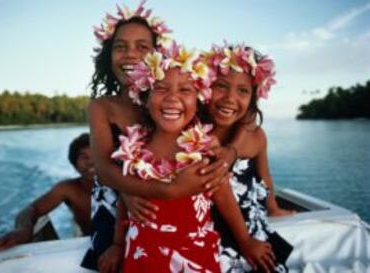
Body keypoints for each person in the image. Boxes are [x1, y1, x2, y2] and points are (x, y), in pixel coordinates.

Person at [82, 1, 232, 270]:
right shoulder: (102, 107)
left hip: (180, 207)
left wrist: (222, 150)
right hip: (119, 202)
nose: (130, 55)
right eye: (120, 46)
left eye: (142, 47)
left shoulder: (169, 101)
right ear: (108, 54)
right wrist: (161, 191)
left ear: (157, 57)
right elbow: (105, 170)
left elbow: (223, 132)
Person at [102, 44, 276, 273]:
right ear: (145, 97)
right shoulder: (134, 148)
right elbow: (126, 199)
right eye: (161, 89)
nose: (172, 98)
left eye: (185, 90)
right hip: (141, 257)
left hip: (193, 257)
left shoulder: (201, 149)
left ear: (197, 98)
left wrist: (245, 240)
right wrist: (117, 243)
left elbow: (224, 196)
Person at [205, 43, 293, 272]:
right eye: (221, 86)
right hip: (212, 231)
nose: (230, 98)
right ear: (204, 87)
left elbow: (265, 178)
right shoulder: (197, 135)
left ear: (253, 96)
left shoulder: (256, 136)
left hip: (252, 229)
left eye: (243, 90)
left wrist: (272, 207)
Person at [0, 133, 94, 252]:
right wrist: (23, 230)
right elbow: (31, 209)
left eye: (95, 155)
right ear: (74, 164)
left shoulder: (117, 183)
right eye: (84, 157)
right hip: (88, 246)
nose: (90, 162)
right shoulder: (69, 189)